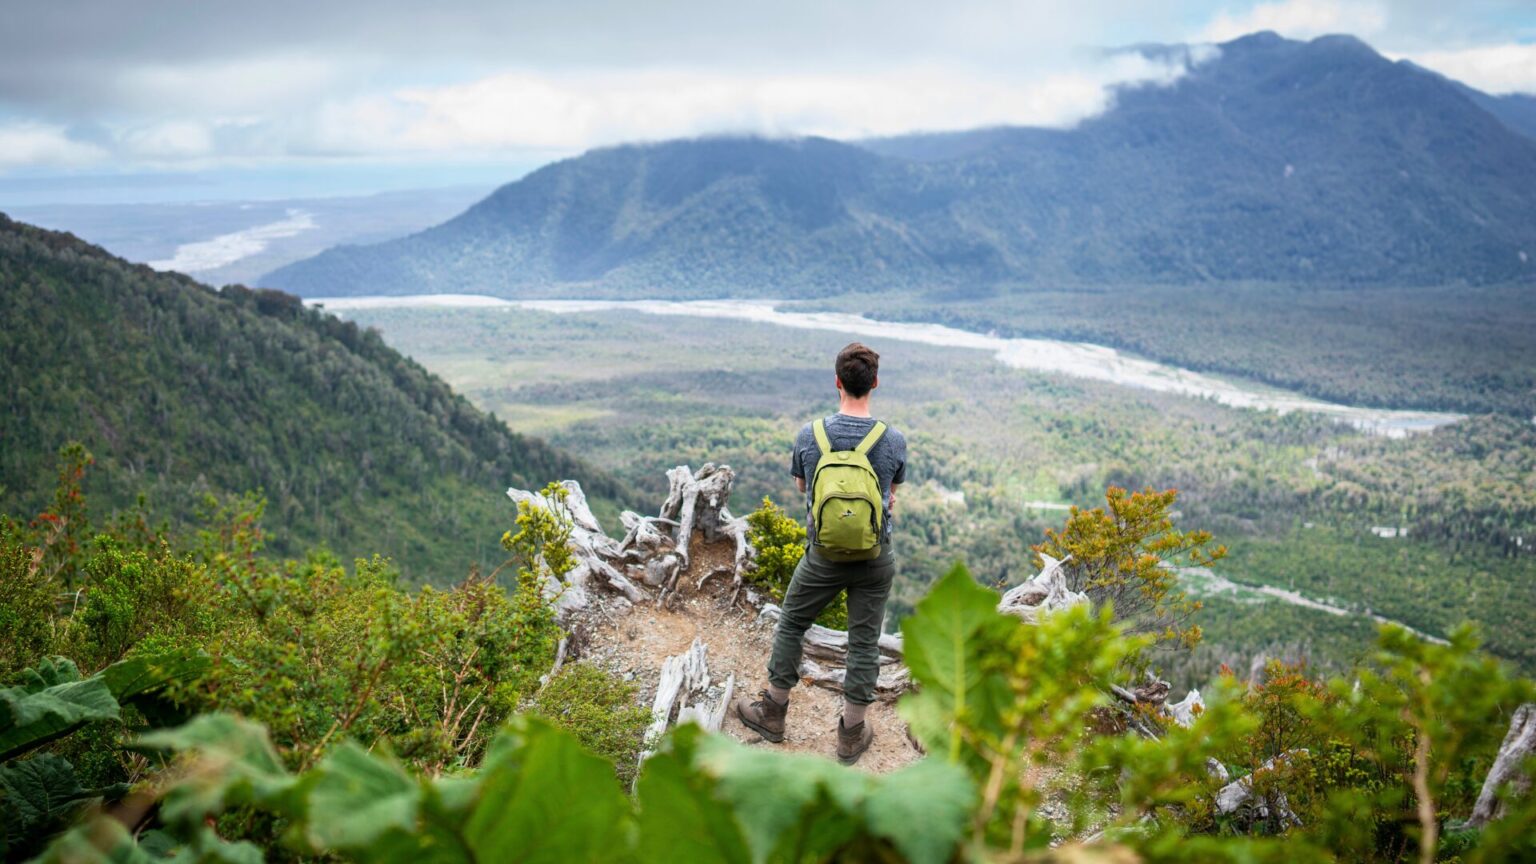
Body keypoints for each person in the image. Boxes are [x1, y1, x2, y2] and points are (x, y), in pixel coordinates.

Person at [735, 341, 907, 765]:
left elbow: (802, 488)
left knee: (792, 622)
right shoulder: (892, 439)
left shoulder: (809, 435)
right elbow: (890, 498)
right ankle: (851, 735)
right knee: (864, 640)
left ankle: (772, 714)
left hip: (823, 557)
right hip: (874, 557)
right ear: (875, 384)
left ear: (837, 382)